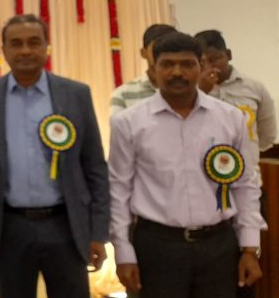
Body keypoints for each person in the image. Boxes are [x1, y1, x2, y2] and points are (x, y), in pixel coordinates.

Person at [109, 32, 265, 298]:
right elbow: (118, 190)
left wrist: (250, 248)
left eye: (187, 64)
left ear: (201, 67)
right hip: (157, 247)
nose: (177, 72)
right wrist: (123, 252)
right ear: (154, 69)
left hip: (219, 246)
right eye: (167, 64)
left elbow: (245, 185)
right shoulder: (129, 122)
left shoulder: (230, 118)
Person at [0, 14, 109, 298]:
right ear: (3, 50)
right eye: (16, 44)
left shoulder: (75, 94)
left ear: (46, 46)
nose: (26, 51)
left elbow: (94, 167)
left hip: (66, 225)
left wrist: (98, 232)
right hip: (9, 228)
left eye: (34, 42)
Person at [194, 30, 276, 152]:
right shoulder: (191, 91)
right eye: (202, 63)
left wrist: (247, 151)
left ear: (228, 55)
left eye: (214, 59)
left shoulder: (255, 88)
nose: (209, 67)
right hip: (202, 160)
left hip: (245, 161)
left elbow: (267, 136)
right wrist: (201, 91)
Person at [109, 24, 176, 116]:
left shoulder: (188, 91)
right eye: (156, 49)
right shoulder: (122, 95)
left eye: (170, 49)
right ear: (143, 53)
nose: (163, 54)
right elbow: (118, 125)